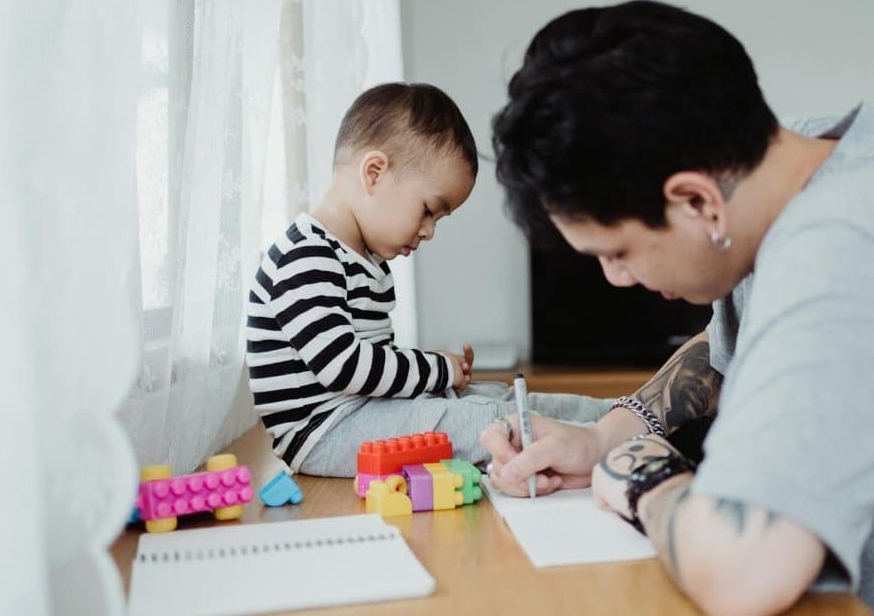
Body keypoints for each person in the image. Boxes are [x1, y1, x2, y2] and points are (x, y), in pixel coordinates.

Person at [482, 0, 874, 615]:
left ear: (699, 202)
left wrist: (644, 477)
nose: (617, 278)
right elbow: (739, 346)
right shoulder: (793, 166)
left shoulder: (845, 256)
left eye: (618, 250)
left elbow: (743, 570)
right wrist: (607, 436)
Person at [246, 82, 611, 476]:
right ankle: (600, 442)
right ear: (374, 173)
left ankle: (619, 418)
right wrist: (437, 369)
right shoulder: (304, 256)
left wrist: (440, 378)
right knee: (486, 418)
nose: (428, 231)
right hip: (323, 434)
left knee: (494, 397)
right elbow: (344, 367)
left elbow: (376, 372)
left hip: (358, 414)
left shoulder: (365, 262)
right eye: (427, 211)